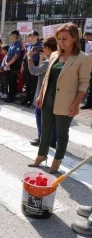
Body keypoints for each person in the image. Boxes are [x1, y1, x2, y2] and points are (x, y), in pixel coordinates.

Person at [28, 23, 92, 173]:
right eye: (59, 39)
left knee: (62, 133)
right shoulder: (54, 55)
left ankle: (57, 161)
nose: (61, 42)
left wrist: (76, 104)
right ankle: (41, 155)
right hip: (48, 99)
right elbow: (46, 78)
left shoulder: (84, 58)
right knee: (46, 130)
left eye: (65, 38)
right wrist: (41, 95)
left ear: (74, 38)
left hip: (66, 101)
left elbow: (84, 83)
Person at [26, 36, 58, 148]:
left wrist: (29, 58)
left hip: (43, 94)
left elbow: (34, 71)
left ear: (49, 49)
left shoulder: (48, 62)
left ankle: (41, 138)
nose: (42, 49)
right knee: (53, 119)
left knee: (40, 117)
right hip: (53, 94)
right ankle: (53, 140)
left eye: (44, 48)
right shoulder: (58, 59)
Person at [22, 31, 42, 107]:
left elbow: (40, 58)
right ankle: (27, 98)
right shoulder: (29, 45)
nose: (31, 38)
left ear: (37, 36)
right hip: (28, 64)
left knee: (33, 83)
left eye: (33, 36)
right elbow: (26, 55)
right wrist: (23, 64)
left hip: (35, 64)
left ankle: (31, 99)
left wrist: (38, 67)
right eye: (30, 36)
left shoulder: (40, 46)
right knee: (27, 83)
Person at [5, 30, 23, 103]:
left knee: (13, 81)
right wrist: (6, 62)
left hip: (14, 65)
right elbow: (8, 55)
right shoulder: (11, 44)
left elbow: (15, 57)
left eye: (11, 35)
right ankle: (10, 95)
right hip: (9, 64)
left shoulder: (18, 45)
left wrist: (8, 64)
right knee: (10, 81)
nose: (10, 36)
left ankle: (12, 96)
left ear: (15, 36)